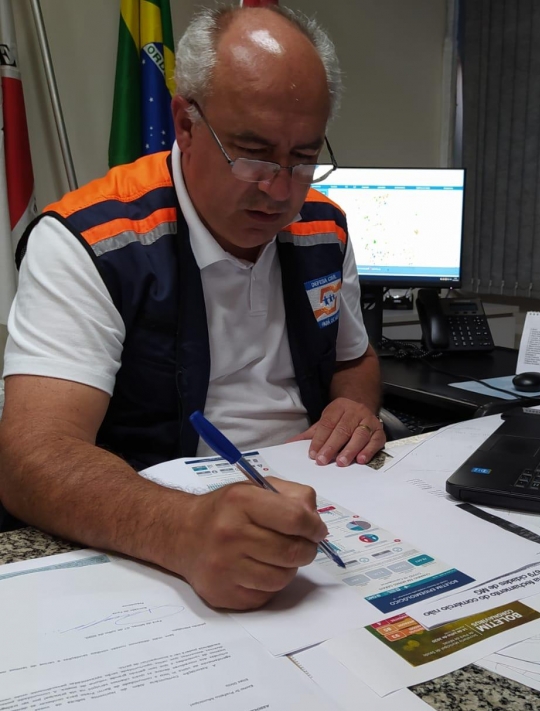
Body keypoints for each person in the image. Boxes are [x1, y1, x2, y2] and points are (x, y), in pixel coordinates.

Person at [0, 5, 385, 610]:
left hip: (318, 504)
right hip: (152, 523)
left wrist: (354, 405)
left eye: (304, 158)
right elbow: (33, 457)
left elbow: (353, 358)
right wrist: (180, 529)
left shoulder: (323, 226)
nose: (280, 189)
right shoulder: (91, 240)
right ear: (184, 123)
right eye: (253, 153)